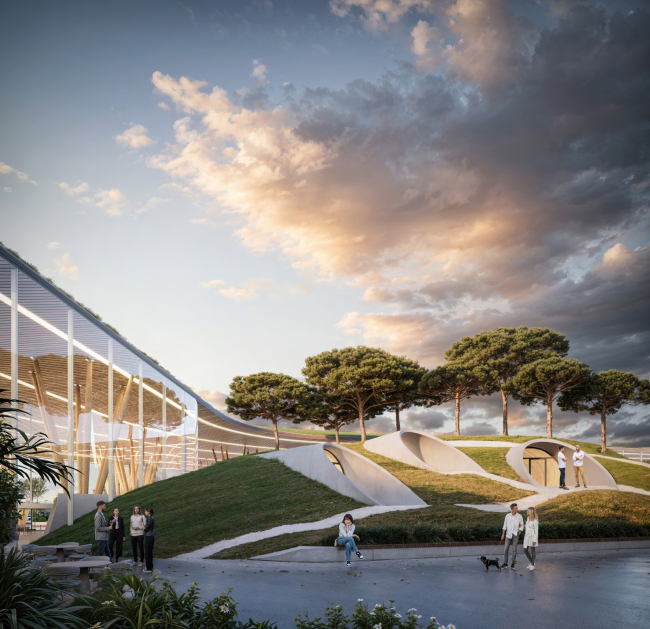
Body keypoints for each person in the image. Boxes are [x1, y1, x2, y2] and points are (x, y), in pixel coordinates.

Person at [500, 503, 523, 570]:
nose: (517, 509)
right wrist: (503, 535)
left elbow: (522, 526)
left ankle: (512, 564)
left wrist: (519, 531)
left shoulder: (519, 516)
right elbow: (504, 526)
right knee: (506, 549)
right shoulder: (507, 516)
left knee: (514, 550)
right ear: (512, 509)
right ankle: (505, 563)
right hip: (508, 534)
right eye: (516, 508)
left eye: (517, 508)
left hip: (516, 535)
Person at [143, 507, 155, 573]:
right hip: (149, 536)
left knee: (148, 552)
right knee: (148, 552)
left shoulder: (150, 519)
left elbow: (145, 529)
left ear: (148, 512)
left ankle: (149, 568)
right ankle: (149, 566)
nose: (145, 512)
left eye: (145, 511)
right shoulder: (151, 518)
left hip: (149, 536)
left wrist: (142, 522)